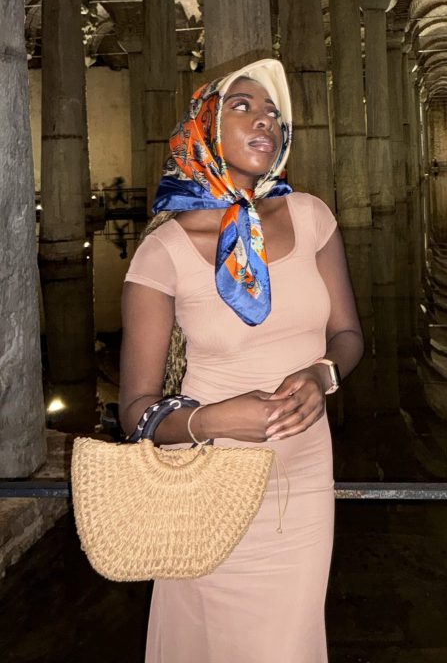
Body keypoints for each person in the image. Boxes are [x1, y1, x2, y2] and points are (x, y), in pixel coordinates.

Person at [119, 58, 364, 663]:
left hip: (304, 479)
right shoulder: (164, 253)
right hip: (209, 483)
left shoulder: (311, 218)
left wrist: (321, 373)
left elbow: (349, 333)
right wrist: (216, 420)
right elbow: (135, 412)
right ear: (205, 127)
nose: (265, 122)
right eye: (243, 107)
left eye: (273, 114)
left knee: (291, 643)